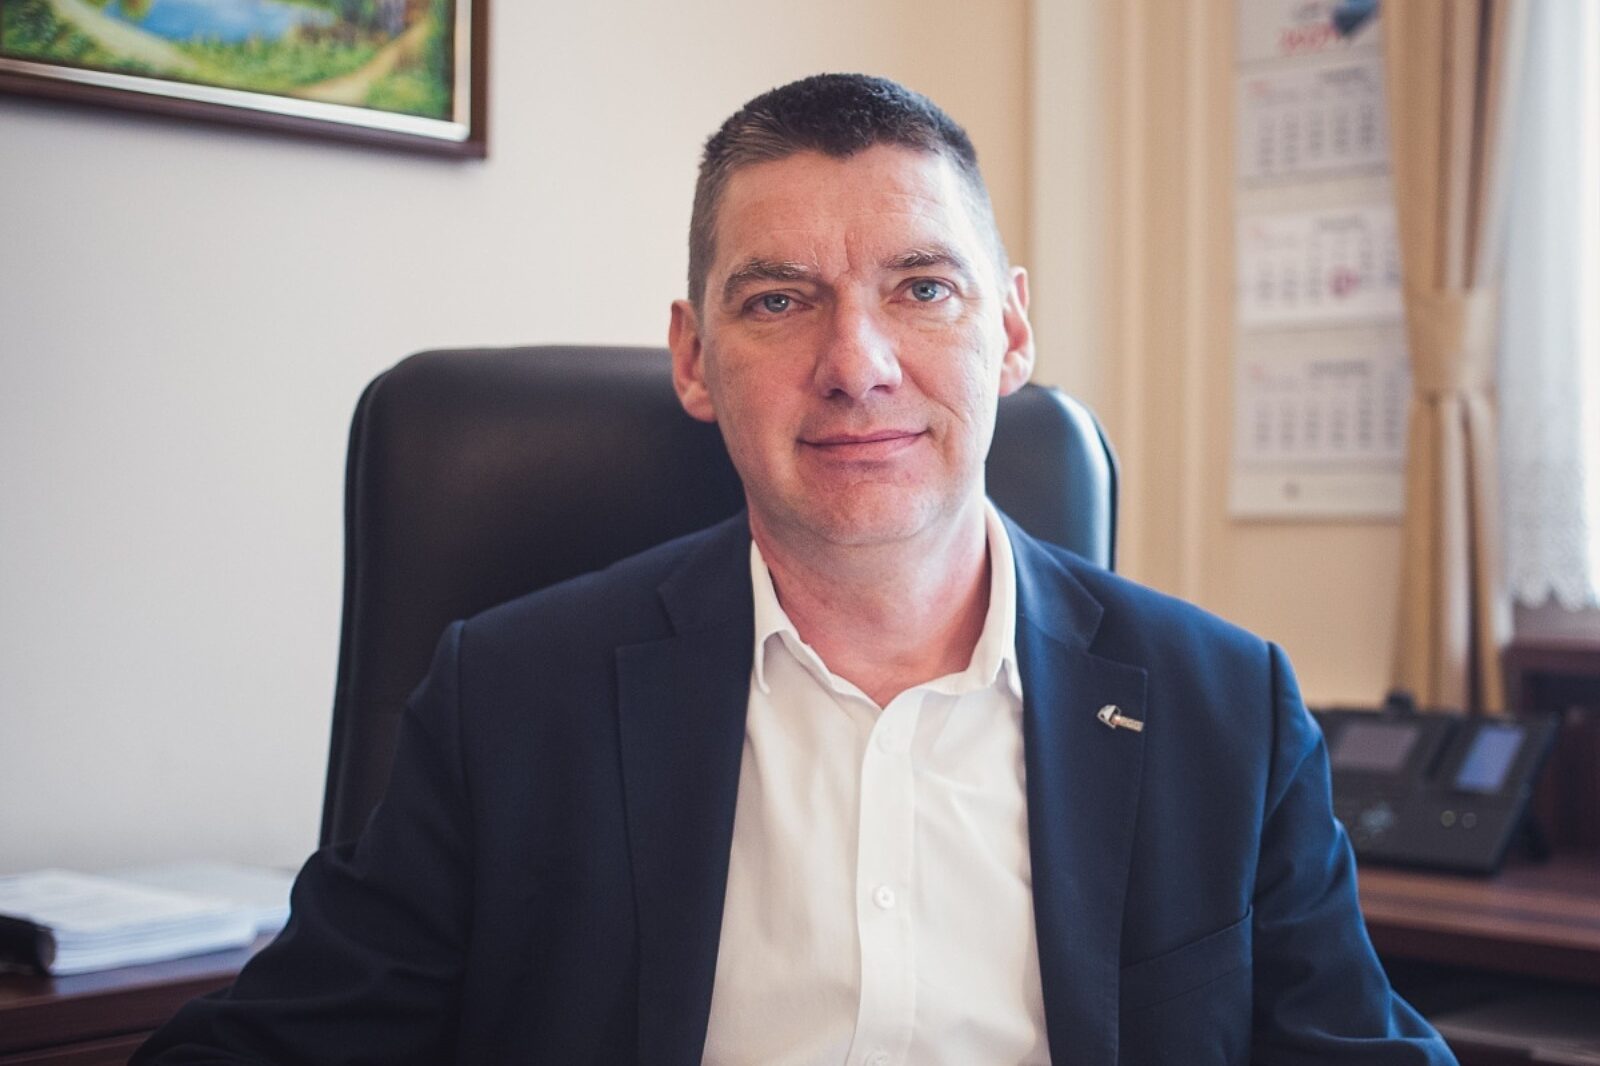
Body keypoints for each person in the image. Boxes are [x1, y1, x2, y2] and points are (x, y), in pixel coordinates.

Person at [136, 74, 1455, 1065]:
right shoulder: (509, 699)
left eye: (922, 289)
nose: (857, 363)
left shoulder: (1224, 708)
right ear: (694, 358)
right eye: (779, 299)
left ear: (1010, 331)